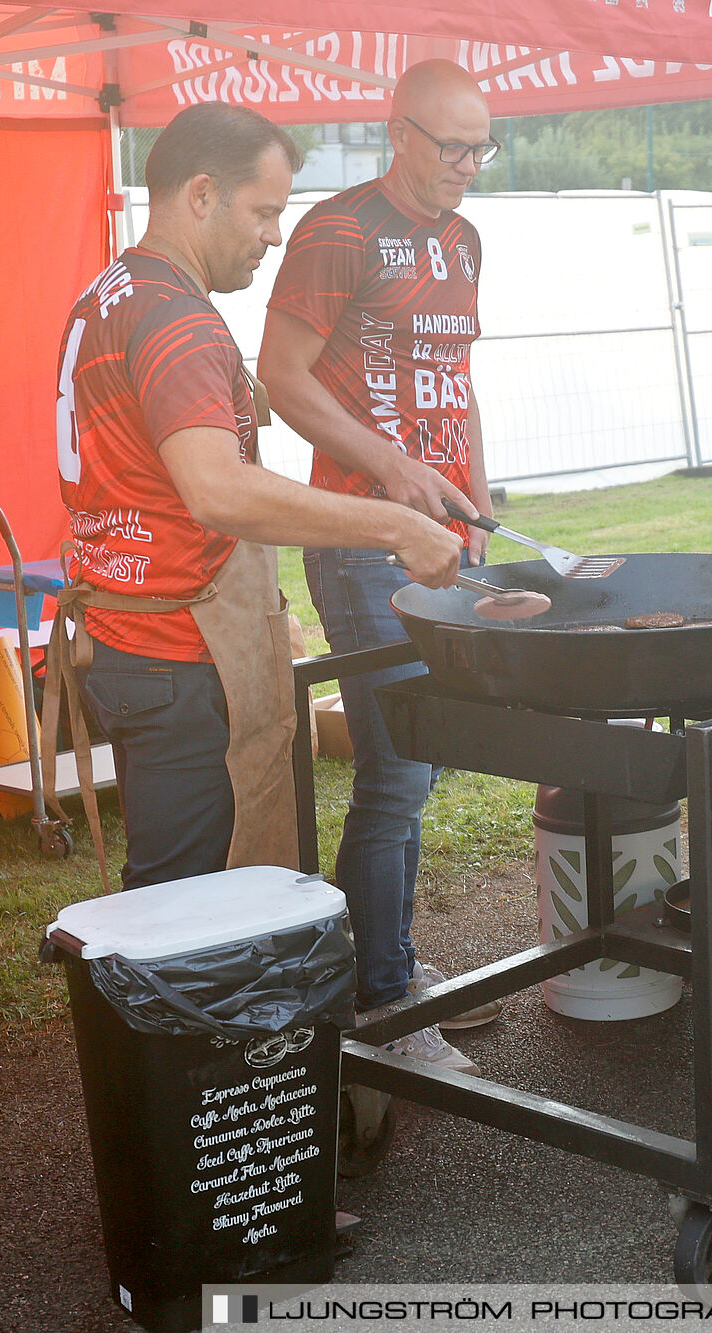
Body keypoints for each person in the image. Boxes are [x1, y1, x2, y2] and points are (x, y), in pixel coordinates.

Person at [49, 103, 462, 896]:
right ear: (201, 195)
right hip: (178, 652)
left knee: (171, 884)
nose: (274, 235)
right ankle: (174, 1027)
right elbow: (216, 489)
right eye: (265, 211)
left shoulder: (109, 293)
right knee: (188, 901)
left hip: (122, 634)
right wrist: (396, 523)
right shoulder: (179, 320)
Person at [259, 60, 500, 1071]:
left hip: (445, 537)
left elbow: (461, 379)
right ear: (397, 133)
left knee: (422, 761)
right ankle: (383, 1005)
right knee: (395, 772)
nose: (468, 168)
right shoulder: (338, 230)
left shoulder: (465, 239)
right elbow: (279, 377)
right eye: (451, 148)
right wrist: (394, 467)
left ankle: (387, 959)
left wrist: (478, 501)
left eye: (482, 149)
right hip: (361, 537)